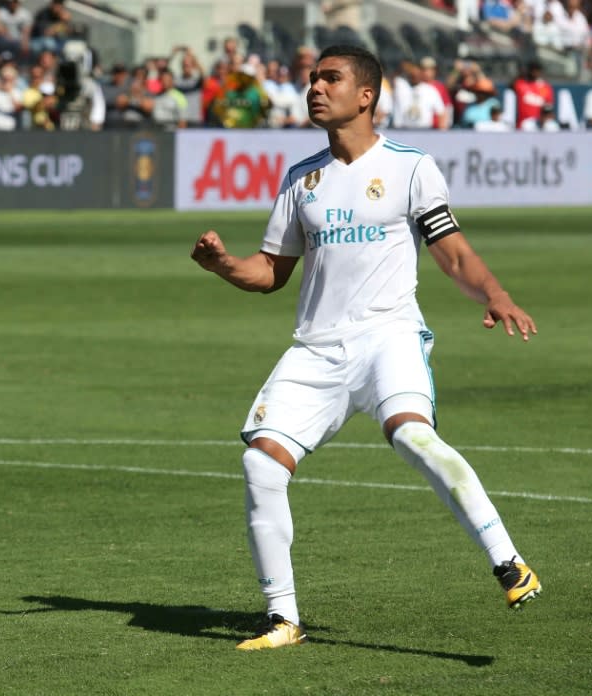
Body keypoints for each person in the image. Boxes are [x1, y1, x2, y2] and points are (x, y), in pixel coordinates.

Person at [190, 44, 542, 652]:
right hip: (317, 348)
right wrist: (223, 265)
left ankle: (509, 561)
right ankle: (283, 620)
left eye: (330, 78)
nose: (315, 88)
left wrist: (495, 292)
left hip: (389, 335)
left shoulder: (409, 166)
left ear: (366, 95)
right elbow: (271, 272)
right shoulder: (302, 178)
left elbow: (451, 251)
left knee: (412, 434)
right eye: (312, 79)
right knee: (260, 464)